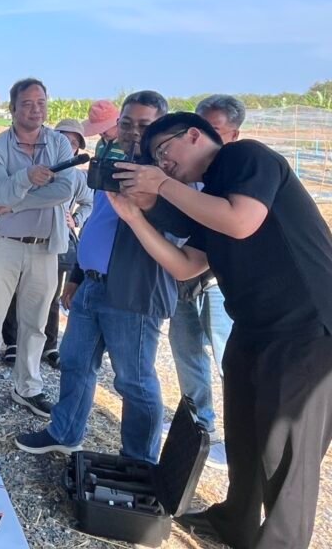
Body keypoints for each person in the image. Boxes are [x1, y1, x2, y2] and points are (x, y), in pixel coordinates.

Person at [108, 112, 332, 549]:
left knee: (284, 450)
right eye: (156, 159)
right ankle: (235, 522)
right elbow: (185, 266)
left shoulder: (246, 157)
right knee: (244, 436)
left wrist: (161, 185)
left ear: (194, 135)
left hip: (306, 329)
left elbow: (241, 221)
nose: (163, 163)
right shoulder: (210, 196)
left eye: (163, 151)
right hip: (255, 326)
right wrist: (134, 217)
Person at [15, 91, 184, 463]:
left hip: (134, 293)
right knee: (75, 363)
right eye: (127, 123)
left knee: (133, 381)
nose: (133, 132)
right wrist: (77, 276)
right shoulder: (116, 164)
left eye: (145, 125)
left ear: (163, 129)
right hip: (92, 285)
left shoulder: (171, 176)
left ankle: (139, 461)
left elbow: (176, 234)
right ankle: (64, 433)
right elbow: (98, 223)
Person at [0, 79, 75, 420]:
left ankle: (28, 387)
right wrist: (27, 177)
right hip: (4, 246)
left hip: (44, 248)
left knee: (36, 323)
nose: (35, 109)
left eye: (41, 102)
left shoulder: (59, 143)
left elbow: (65, 190)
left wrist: (16, 203)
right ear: (12, 108)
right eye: (27, 103)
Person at [162, 94, 244, 471]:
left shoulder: (238, 176)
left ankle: (239, 441)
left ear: (233, 135)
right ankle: (200, 425)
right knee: (186, 351)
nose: (203, 136)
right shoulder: (182, 172)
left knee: (230, 359)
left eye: (215, 129)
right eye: (196, 128)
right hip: (182, 273)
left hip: (215, 283)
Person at [1, 118, 93, 369]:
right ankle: (12, 343)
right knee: (14, 291)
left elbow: (89, 202)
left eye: (73, 142)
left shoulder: (76, 177)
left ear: (77, 148)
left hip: (57, 242)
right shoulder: (32, 166)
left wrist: (75, 220)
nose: (67, 145)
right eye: (62, 138)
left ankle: (49, 346)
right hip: (21, 237)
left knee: (50, 295)